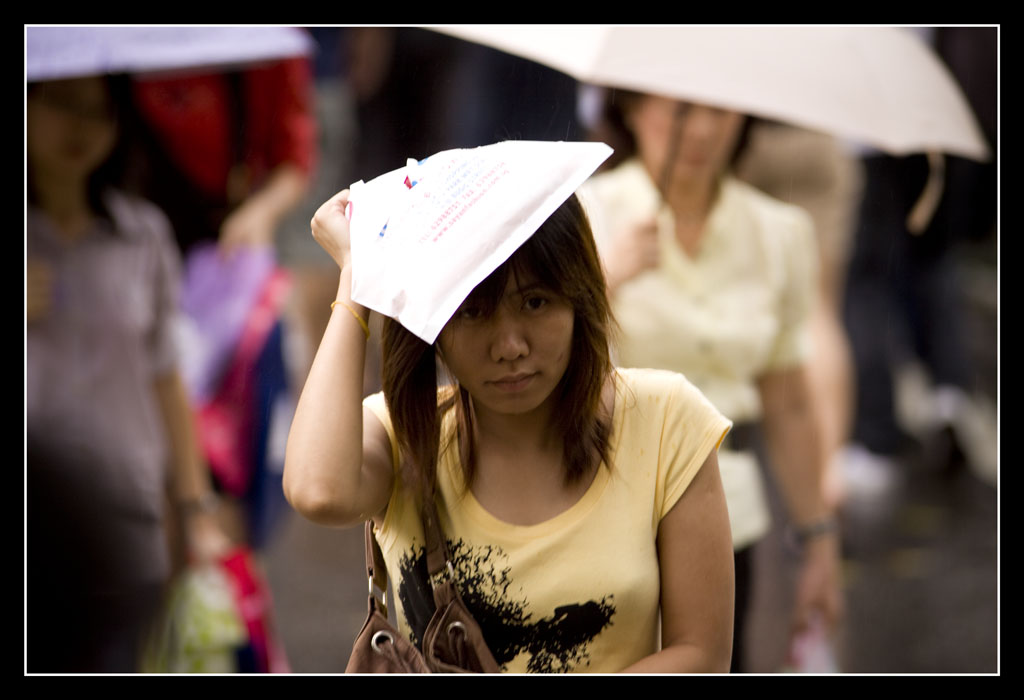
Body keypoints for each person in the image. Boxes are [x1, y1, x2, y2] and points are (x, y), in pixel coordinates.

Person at [283, 170, 736, 672]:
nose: (510, 346)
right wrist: (356, 278)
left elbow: (702, 653)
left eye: (536, 303)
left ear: (579, 300)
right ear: (432, 323)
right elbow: (317, 491)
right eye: (473, 312)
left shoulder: (665, 418)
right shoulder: (404, 433)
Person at [578, 92, 843, 672]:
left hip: (729, 512)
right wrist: (606, 278)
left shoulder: (779, 232)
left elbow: (789, 401)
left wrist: (818, 539)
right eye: (676, 109)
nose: (699, 130)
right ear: (630, 107)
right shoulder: (584, 213)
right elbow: (526, 362)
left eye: (719, 111)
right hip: (603, 506)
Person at [26, 74, 230, 672]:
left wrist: (195, 510)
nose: (79, 127)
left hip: (126, 517)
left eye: (98, 110)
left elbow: (168, 379)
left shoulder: (143, 235)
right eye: (61, 102)